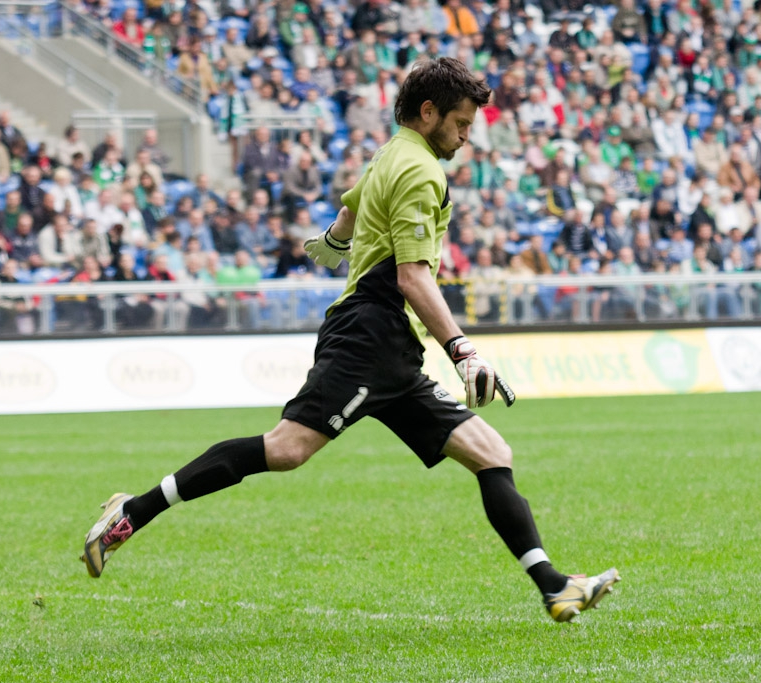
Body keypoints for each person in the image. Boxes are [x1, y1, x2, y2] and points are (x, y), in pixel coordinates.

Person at [80, 58, 619, 622]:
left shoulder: (393, 152)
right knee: (287, 450)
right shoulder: (420, 171)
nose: (466, 135)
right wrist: (463, 349)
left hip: (392, 347)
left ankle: (555, 586)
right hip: (370, 335)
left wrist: (335, 242)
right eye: (460, 123)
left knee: (491, 453)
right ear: (428, 112)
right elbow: (413, 277)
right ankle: (131, 514)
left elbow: (351, 206)